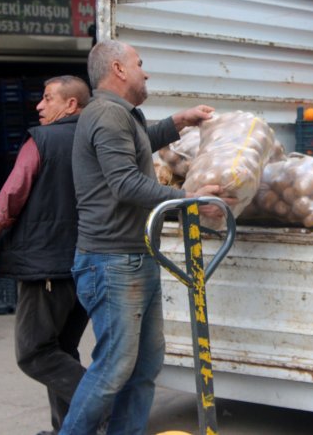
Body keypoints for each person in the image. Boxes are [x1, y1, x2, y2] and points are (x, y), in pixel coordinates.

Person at [58, 40, 231, 435]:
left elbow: (135, 148)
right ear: (118, 69)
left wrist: (178, 121)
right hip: (113, 261)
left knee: (145, 364)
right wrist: (187, 199)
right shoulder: (106, 115)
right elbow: (125, 183)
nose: (146, 71)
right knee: (114, 367)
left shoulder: (121, 114)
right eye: (140, 64)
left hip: (135, 255)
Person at [0, 75, 91, 435]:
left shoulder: (43, 139)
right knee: (62, 350)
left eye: (47, 98)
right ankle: (69, 429)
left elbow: (12, 194)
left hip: (47, 266)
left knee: (34, 353)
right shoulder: (99, 139)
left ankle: (105, 402)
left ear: (71, 105)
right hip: (88, 264)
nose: (39, 106)